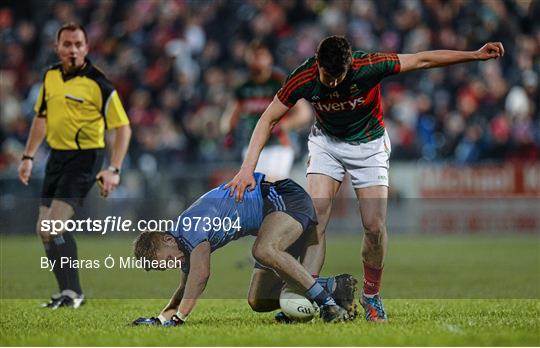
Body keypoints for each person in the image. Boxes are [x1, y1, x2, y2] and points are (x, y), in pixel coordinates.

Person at [225, 36, 505, 322]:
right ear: (318, 64)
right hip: (327, 144)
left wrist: (474, 54)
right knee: (315, 219)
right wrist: (247, 168)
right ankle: (313, 300)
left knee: (373, 227)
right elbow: (267, 118)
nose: (332, 84)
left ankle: (371, 295)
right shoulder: (304, 76)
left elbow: (422, 59)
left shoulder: (370, 65)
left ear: (350, 65)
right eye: (327, 77)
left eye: (338, 78)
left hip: (369, 146)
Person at [132, 172, 357, 326]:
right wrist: (162, 318)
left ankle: (327, 304)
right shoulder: (182, 245)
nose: (175, 264)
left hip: (281, 198)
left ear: (167, 240)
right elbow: (185, 287)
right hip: (271, 221)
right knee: (258, 300)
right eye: (168, 266)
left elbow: (200, 275)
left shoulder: (189, 228)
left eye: (169, 259)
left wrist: (179, 319)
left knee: (262, 250)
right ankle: (335, 286)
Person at [17, 23, 132, 308]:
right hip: (56, 157)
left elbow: (123, 128)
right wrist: (28, 157)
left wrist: (114, 169)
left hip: (85, 157)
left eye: (78, 44)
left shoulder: (99, 83)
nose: (73, 50)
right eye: (67, 44)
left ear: (86, 48)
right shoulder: (51, 76)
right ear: (57, 47)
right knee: (44, 229)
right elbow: (41, 118)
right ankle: (67, 292)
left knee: (52, 226)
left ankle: (74, 293)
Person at [220, 41, 311, 181]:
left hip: (278, 145)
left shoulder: (280, 82)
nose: (258, 60)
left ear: (269, 57)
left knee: (269, 184)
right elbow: (230, 116)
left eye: (261, 55)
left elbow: (304, 113)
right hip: (252, 146)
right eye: (254, 55)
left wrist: (283, 126)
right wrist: (228, 133)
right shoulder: (244, 88)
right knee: (254, 190)